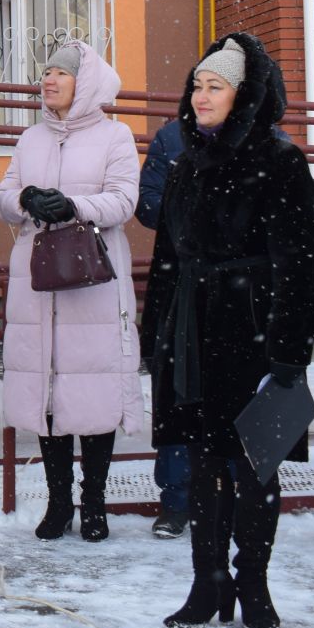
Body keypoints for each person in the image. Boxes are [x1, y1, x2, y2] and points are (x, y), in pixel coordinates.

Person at [142, 33, 314, 628]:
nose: (200, 96)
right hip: (192, 333)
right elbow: (167, 254)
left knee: (255, 466)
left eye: (215, 86)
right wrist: (156, 335)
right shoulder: (187, 160)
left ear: (244, 96)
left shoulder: (280, 159)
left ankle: (254, 586)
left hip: (253, 332)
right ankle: (207, 584)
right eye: (197, 84)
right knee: (203, 463)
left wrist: (290, 354)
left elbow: (299, 261)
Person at [0, 41, 141, 542]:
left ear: (87, 82)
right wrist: (24, 199)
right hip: (38, 281)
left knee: (93, 391)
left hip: (92, 279)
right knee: (47, 392)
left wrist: (73, 205)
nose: (48, 80)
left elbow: (124, 199)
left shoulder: (116, 135)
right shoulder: (31, 138)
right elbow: (2, 195)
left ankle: (93, 504)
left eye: (61, 73)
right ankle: (58, 505)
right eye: (46, 72)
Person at [136, 118, 193, 539]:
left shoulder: (268, 139)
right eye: (201, 86)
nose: (206, 95)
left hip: (242, 289)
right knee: (174, 389)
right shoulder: (172, 137)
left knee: (233, 396)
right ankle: (175, 500)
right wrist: (193, 205)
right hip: (177, 282)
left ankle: (230, 493)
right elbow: (147, 203)